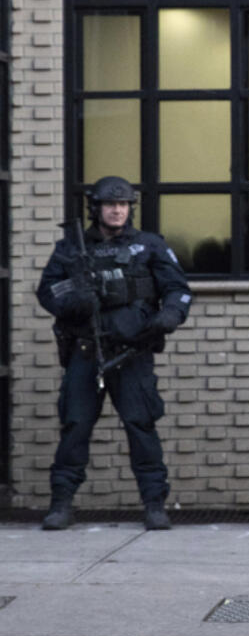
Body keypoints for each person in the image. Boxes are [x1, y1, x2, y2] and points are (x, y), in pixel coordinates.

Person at [36, 176, 193, 531]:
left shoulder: (148, 245)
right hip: (87, 351)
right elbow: (48, 292)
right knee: (75, 426)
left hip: (133, 353)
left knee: (141, 427)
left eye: (123, 205)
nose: (118, 210)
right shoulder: (72, 248)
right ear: (96, 209)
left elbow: (178, 290)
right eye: (111, 205)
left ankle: (154, 503)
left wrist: (169, 315)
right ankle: (61, 502)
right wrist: (75, 301)